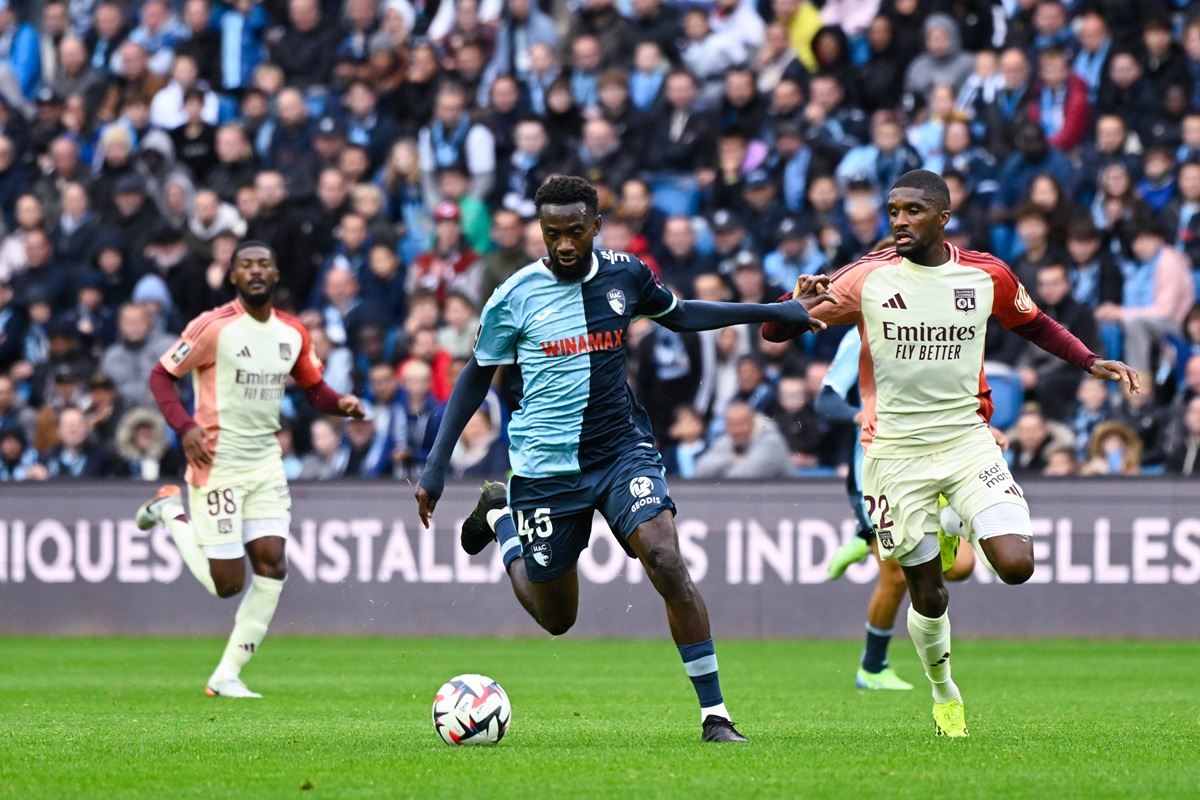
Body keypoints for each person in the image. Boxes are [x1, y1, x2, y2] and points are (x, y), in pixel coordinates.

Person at [415, 176, 823, 743]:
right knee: (557, 619)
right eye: (552, 233)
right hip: (546, 468)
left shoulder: (624, 275)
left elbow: (681, 313)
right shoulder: (514, 296)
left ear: (595, 227)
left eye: (574, 232)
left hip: (620, 451)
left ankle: (715, 716)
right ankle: (504, 516)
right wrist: (436, 464)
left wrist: (776, 310)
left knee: (665, 560)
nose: (562, 244)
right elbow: (475, 376)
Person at [763, 170, 1138, 737]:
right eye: (893, 211)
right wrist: (795, 303)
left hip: (966, 440)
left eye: (913, 211)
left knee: (1016, 565)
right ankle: (944, 693)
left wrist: (1089, 360)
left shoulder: (985, 274)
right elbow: (774, 332)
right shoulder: (865, 276)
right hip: (894, 456)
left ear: (942, 217)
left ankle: (948, 522)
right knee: (928, 591)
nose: (899, 221)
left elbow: (1033, 322)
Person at [134, 240, 365, 699]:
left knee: (273, 564)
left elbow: (313, 388)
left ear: (276, 275)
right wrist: (184, 427)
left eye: (264, 264)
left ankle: (227, 674)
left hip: (264, 463)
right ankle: (168, 512)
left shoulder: (294, 332)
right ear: (233, 277)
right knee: (228, 584)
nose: (256, 271)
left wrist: (339, 403)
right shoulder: (213, 327)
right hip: (215, 462)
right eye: (246, 265)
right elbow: (161, 376)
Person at [818, 324, 978, 691]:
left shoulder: (936, 328)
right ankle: (872, 667)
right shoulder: (863, 337)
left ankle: (862, 539)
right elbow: (825, 400)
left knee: (961, 566)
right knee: (893, 575)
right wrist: (860, 416)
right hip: (875, 472)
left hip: (929, 466)